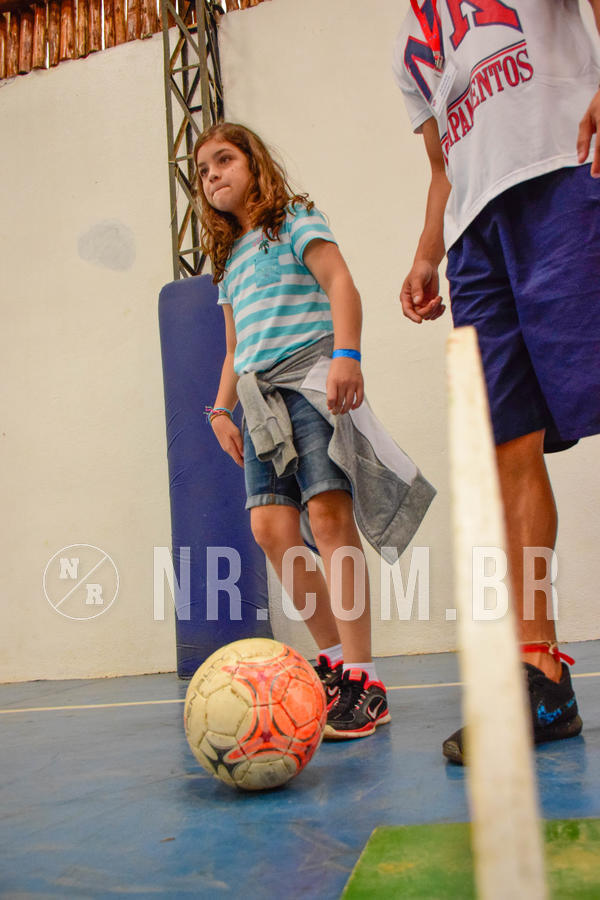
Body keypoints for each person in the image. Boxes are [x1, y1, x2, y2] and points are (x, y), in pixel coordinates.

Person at [393, 0, 600, 763]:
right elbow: (444, 165)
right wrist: (426, 253)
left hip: (567, 175)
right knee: (506, 446)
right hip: (474, 234)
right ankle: (538, 673)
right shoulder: (410, 46)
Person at [193, 122, 435, 739]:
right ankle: (330, 662)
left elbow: (340, 284)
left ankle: (365, 678)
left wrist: (347, 356)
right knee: (271, 528)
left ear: (255, 163)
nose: (213, 174)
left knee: (328, 519)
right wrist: (221, 410)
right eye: (203, 171)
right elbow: (232, 347)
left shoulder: (292, 220)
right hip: (258, 402)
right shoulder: (227, 262)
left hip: (309, 380)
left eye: (224, 159)